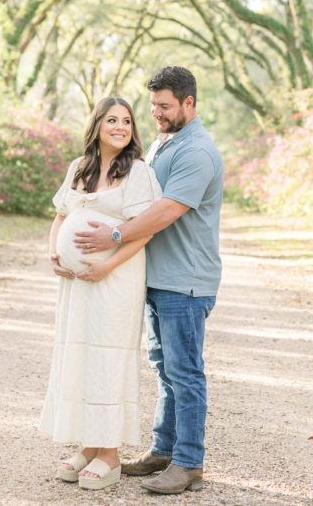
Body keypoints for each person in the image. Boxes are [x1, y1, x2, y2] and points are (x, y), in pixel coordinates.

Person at [75, 66, 224, 495]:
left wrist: (115, 234)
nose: (155, 113)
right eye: (153, 105)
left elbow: (167, 210)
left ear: (189, 103)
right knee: (164, 371)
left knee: (185, 371)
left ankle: (189, 462)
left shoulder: (197, 151)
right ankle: (163, 450)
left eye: (164, 105)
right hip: (158, 278)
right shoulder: (165, 143)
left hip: (186, 281)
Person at [39, 97, 162, 490]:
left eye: (127, 121)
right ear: (97, 125)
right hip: (75, 284)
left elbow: (145, 230)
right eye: (112, 120)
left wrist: (107, 264)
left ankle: (109, 453)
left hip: (115, 279)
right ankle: (89, 446)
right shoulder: (80, 167)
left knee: (107, 357)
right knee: (81, 354)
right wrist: (55, 253)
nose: (121, 127)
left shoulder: (139, 172)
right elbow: (60, 216)